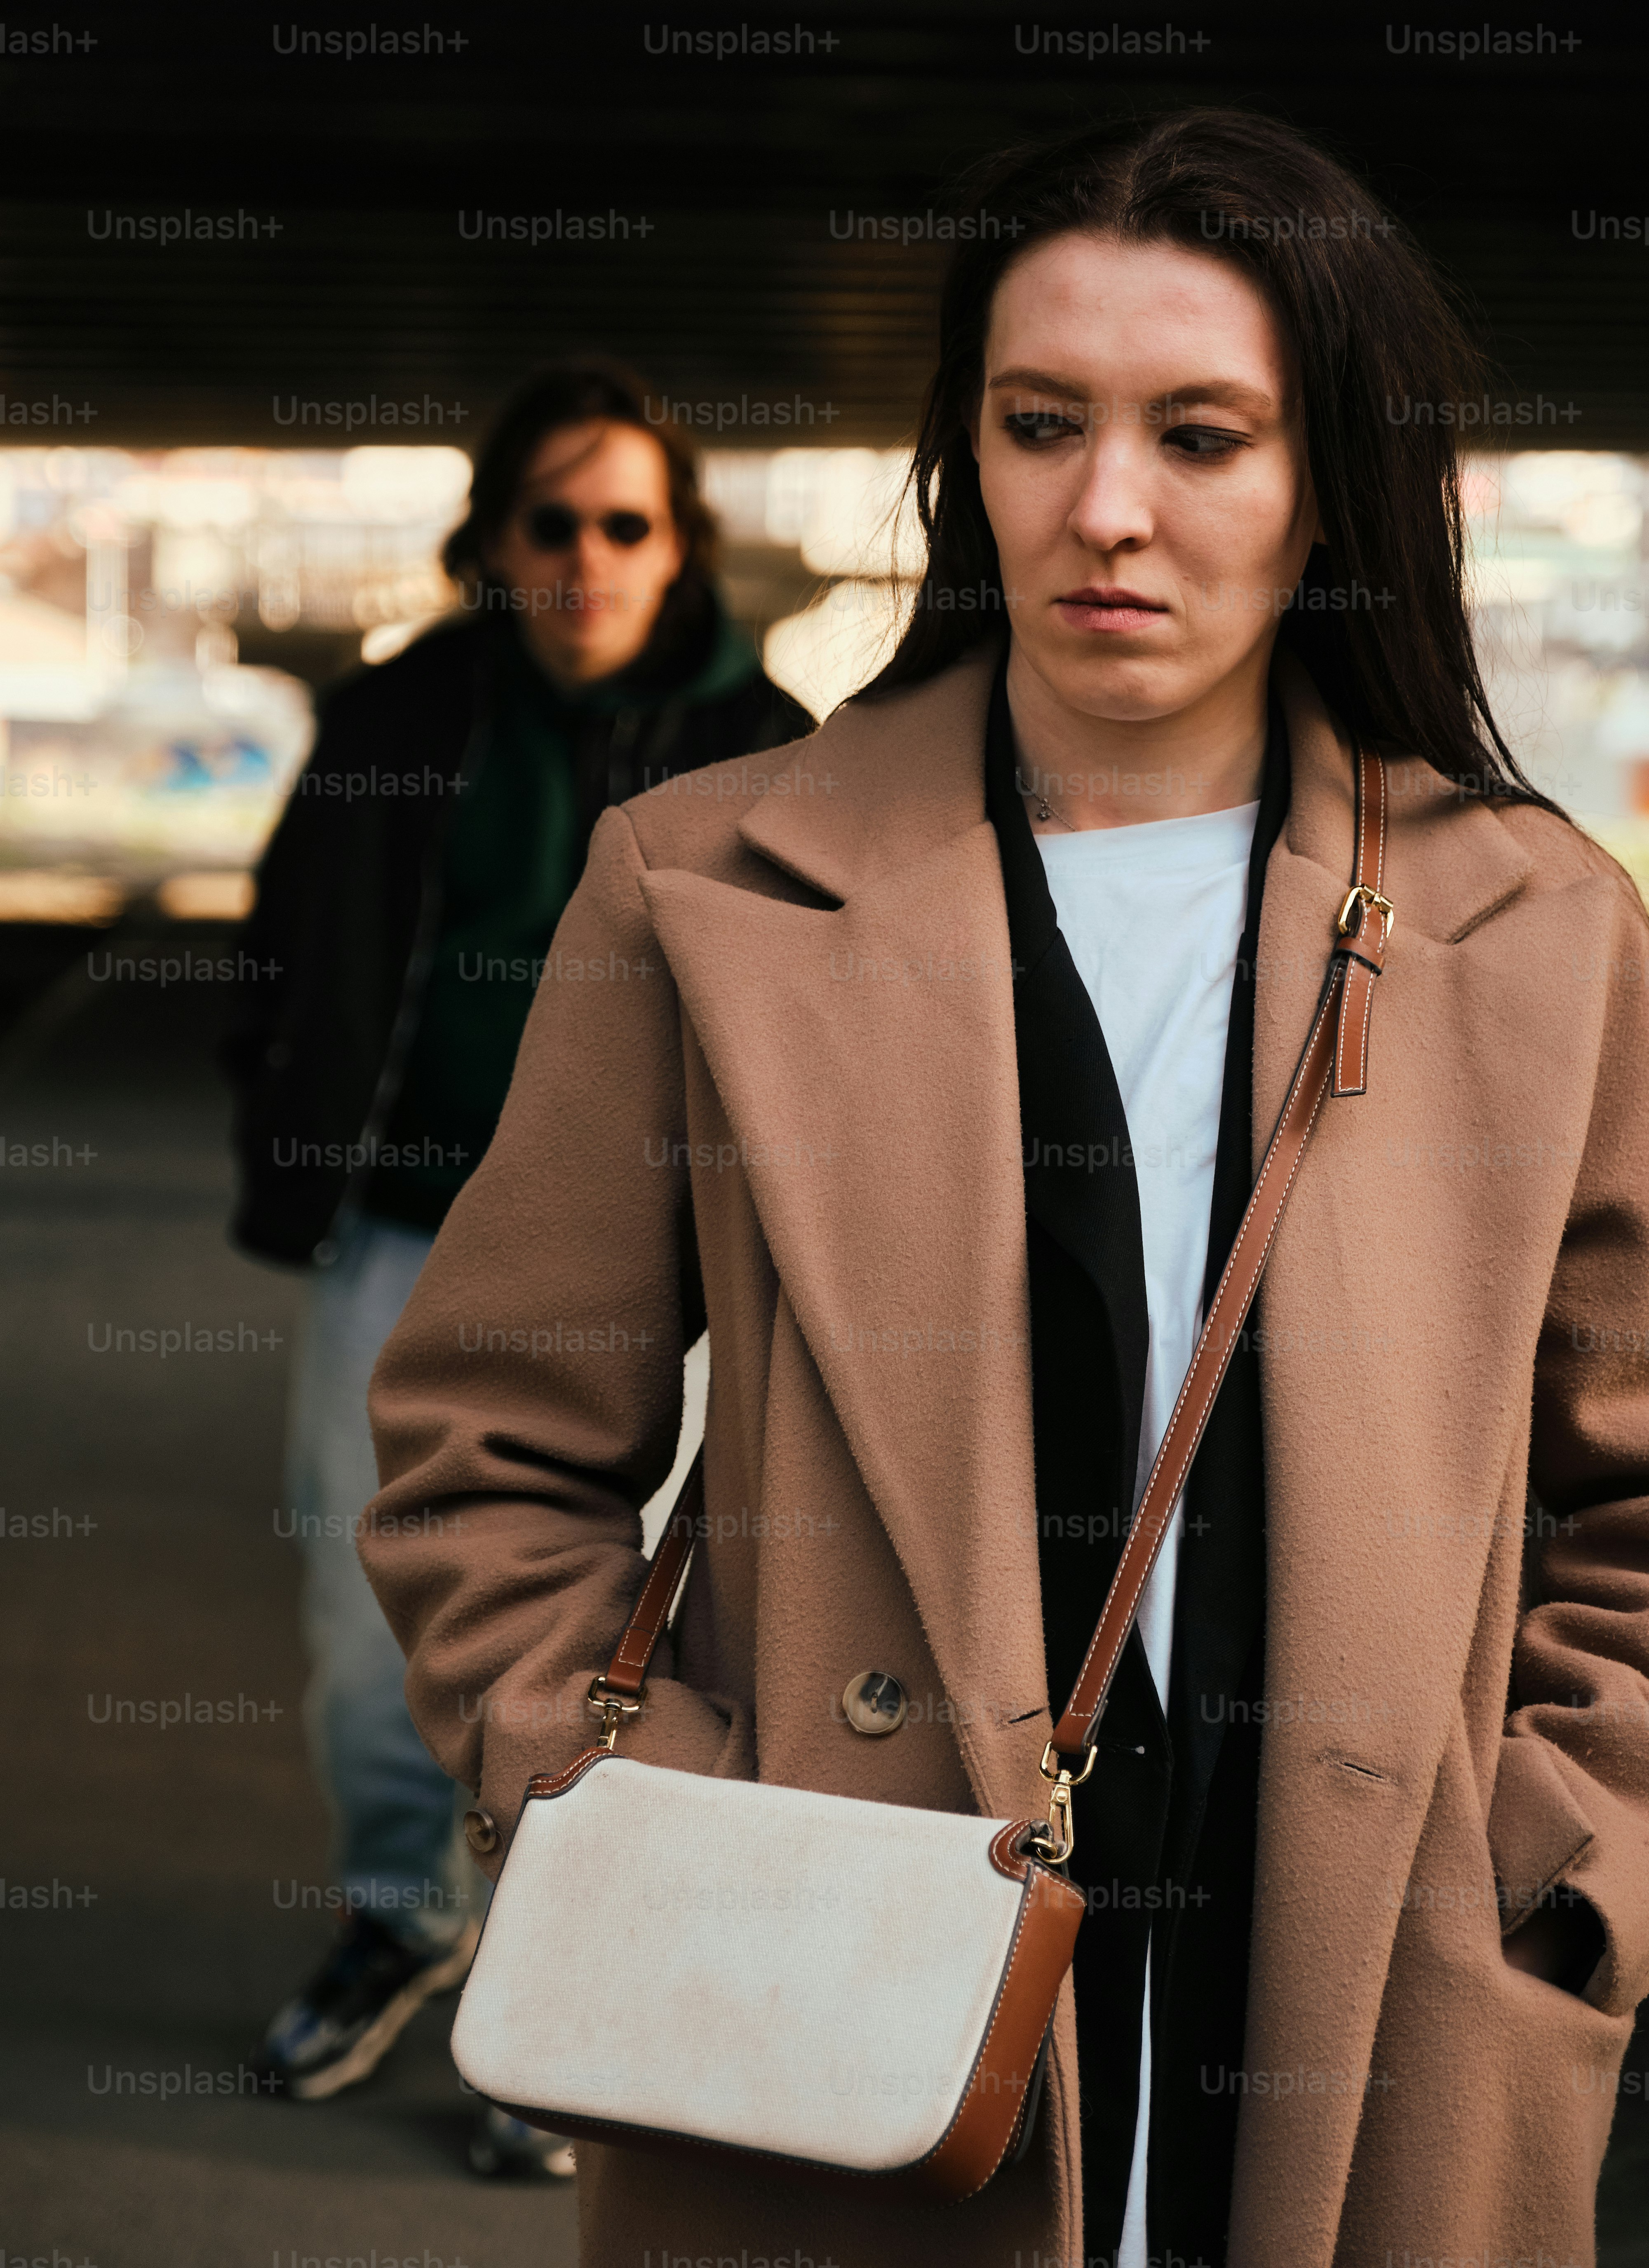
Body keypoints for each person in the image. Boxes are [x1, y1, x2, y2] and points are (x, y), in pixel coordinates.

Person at [358, 114, 1649, 2263]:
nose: (1107, 509)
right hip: (817, 2006)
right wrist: (627, 1798)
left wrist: (1568, 1863)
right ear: (968, 455)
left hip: (1371, 2006)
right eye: (1041, 423)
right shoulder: (705, 886)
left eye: (1204, 435)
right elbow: (483, 1456)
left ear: (1332, 475)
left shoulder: (1541, 936)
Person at [221, 361, 808, 2152]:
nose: (586, 555)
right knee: (368, 1613)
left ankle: (576, 1982)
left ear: (677, 545)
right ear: (491, 541)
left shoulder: (766, 743)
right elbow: (283, 949)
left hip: (671, 1261)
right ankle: (403, 1918)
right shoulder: (395, 716)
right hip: (404, 1235)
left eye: (625, 522)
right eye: (549, 521)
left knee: (639, 1624)